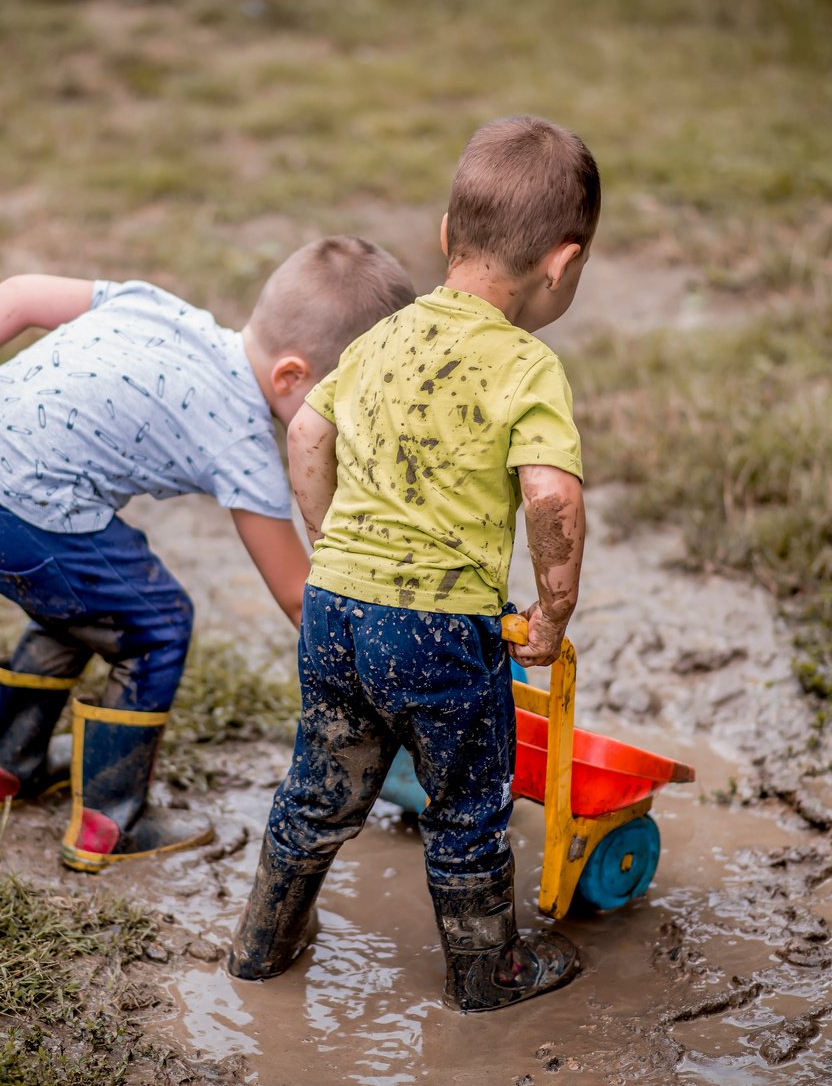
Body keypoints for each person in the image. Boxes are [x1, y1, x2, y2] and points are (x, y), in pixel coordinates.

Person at [0, 236, 416, 872]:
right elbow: (300, 597)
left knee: (87, 602)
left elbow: (18, 296)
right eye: (345, 410)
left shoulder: (154, 306)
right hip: (13, 508)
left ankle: (3, 773)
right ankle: (109, 824)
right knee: (157, 622)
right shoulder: (243, 441)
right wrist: (384, 675)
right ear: (291, 376)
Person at [227, 116, 597, 1012]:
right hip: (438, 627)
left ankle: (261, 945)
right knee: (466, 803)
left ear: (444, 234)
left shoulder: (377, 340)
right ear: (562, 263)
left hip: (337, 612)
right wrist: (550, 615)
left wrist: (331, 545)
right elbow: (553, 501)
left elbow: (309, 429)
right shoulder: (526, 363)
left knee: (321, 783)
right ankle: (485, 970)